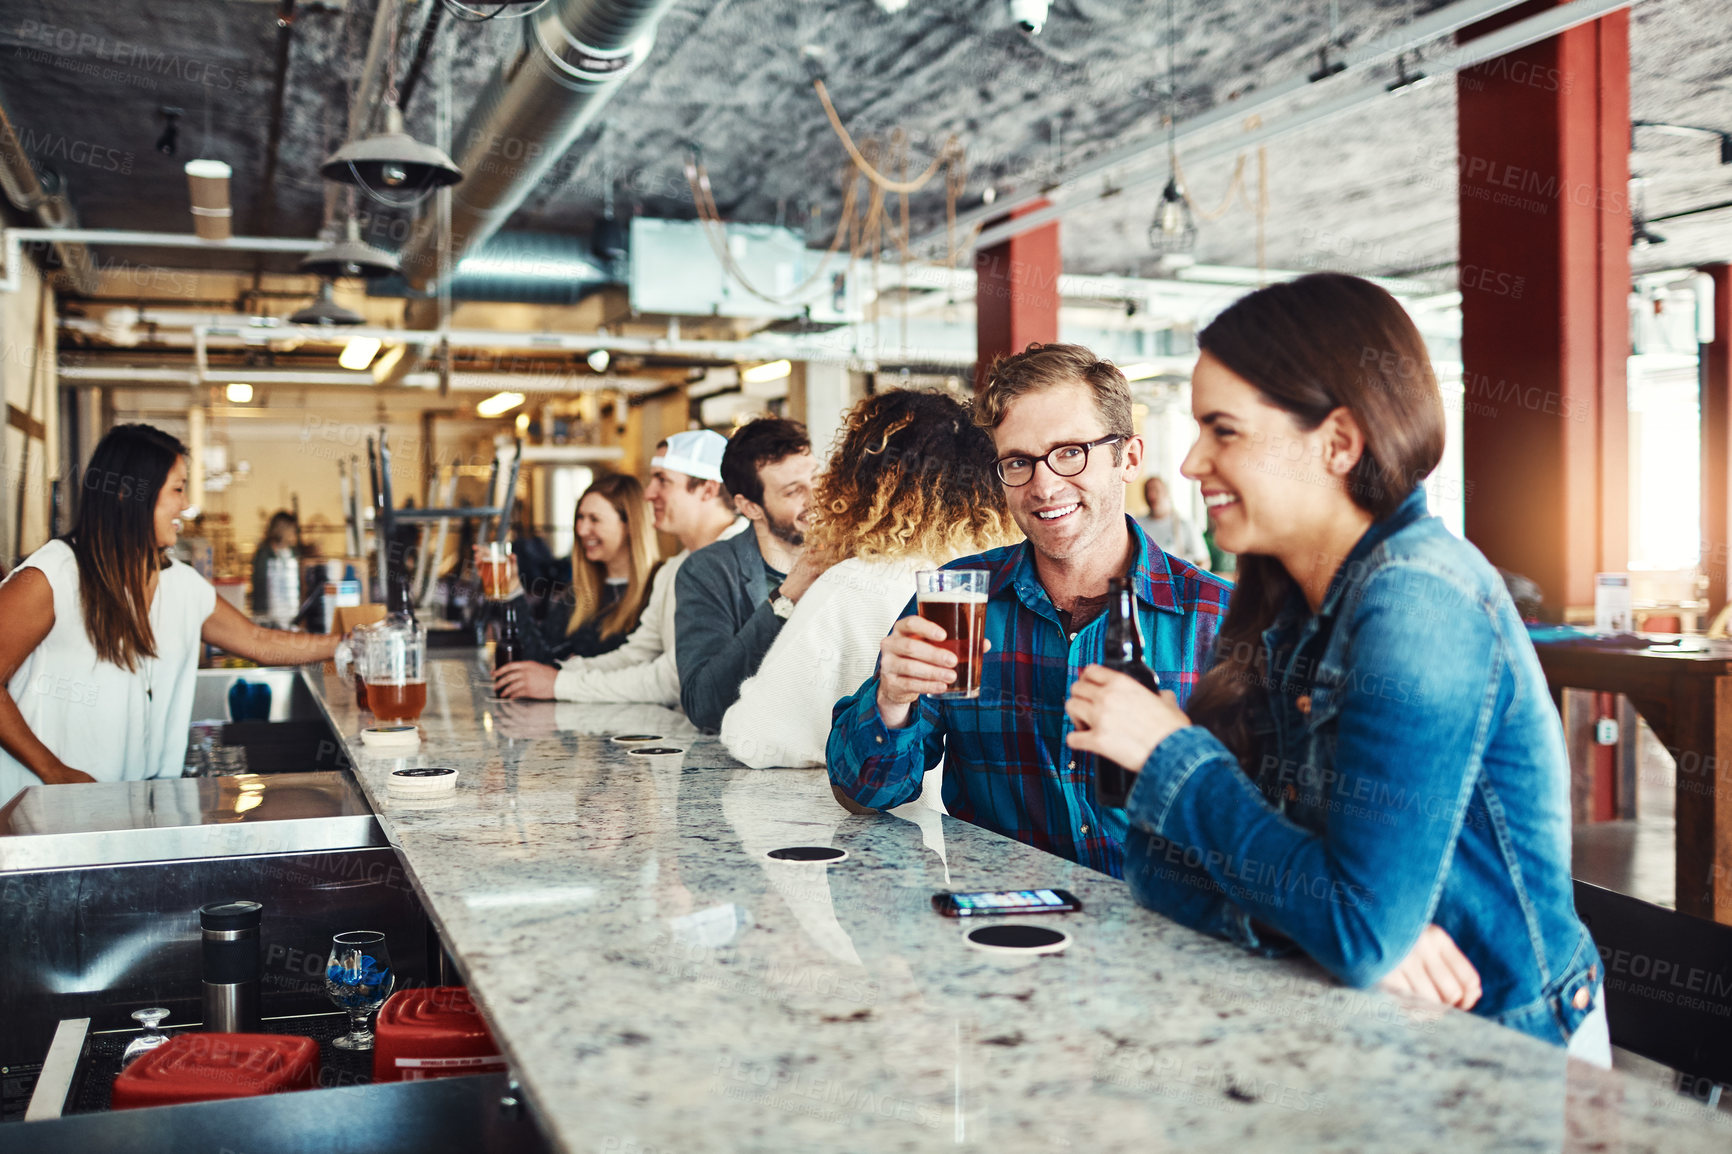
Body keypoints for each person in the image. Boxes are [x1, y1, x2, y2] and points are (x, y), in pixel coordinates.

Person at [1062, 273, 1608, 1059]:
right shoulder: (1282, 592)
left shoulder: (1421, 599)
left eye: (1224, 430)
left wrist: (1168, 754)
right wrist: (1322, 918)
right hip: (1358, 1033)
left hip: (1501, 1045)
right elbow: (1157, 867)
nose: (1188, 463)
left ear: (1340, 444)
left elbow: (1354, 928)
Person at [827, 344, 1234, 877]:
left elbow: (1275, 821)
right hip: (1000, 935)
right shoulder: (959, 600)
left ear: (1128, 457)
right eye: (1019, 462)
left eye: (1070, 452)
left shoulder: (1217, 617)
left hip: (1166, 934)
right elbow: (862, 795)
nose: (1043, 485)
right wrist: (892, 701)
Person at [0, 424, 343, 803]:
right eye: (177, 489)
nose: (185, 505)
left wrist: (345, 646)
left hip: (124, 813)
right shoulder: (53, 577)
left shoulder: (180, 584)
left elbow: (259, 641)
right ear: (126, 493)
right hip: (35, 815)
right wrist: (55, 772)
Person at [720, 391, 1021, 770]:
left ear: (861, 482)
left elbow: (753, 736)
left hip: (880, 817)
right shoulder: (1000, 582)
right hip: (970, 826)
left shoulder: (852, 583)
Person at [492, 430, 741, 705]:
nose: (648, 494)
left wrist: (560, 684)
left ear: (708, 489)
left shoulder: (739, 561)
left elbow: (673, 679)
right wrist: (559, 672)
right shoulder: (676, 568)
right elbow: (636, 655)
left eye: (662, 481)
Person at [675, 418, 821, 731]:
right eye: (794, 491)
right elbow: (704, 705)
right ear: (750, 507)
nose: (816, 498)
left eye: (817, 478)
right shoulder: (707, 571)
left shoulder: (859, 557)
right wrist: (788, 594)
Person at [502, 475, 660, 665]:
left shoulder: (660, 587)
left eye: (595, 519)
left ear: (629, 525)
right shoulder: (578, 592)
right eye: (580, 518)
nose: (582, 530)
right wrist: (514, 591)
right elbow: (538, 659)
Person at [1136, 476, 1208, 569]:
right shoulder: (1137, 525)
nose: (1151, 495)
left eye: (1156, 490)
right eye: (1147, 491)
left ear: (1166, 492)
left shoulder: (1184, 525)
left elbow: (1203, 561)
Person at [249, 510, 301, 623]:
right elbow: (259, 581)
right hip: (267, 614)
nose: (293, 532)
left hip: (290, 614)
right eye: (291, 528)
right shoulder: (264, 553)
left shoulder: (294, 553)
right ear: (281, 528)